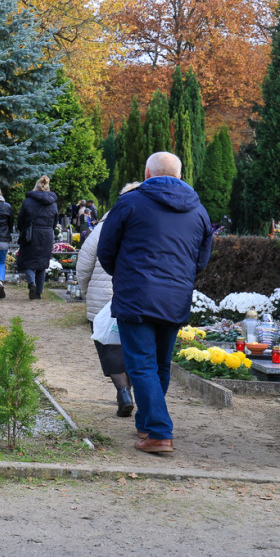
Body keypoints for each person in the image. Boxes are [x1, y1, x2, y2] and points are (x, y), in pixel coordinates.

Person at [98, 152, 213, 454]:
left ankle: (160, 433)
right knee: (160, 364)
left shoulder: (130, 203)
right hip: (175, 298)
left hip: (136, 295)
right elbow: (201, 260)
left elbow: (106, 248)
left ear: (147, 173)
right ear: (179, 175)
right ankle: (147, 422)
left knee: (141, 365)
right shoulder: (198, 210)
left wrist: (123, 275)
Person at [77, 183, 141, 418]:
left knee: (110, 348)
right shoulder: (149, 226)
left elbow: (84, 264)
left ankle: (123, 392)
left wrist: (86, 293)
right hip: (138, 297)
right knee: (135, 347)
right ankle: (128, 391)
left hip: (102, 299)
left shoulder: (104, 226)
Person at [17, 175, 58, 300]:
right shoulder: (53, 203)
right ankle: (38, 293)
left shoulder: (28, 201)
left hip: (31, 233)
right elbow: (55, 221)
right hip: (47, 234)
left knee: (28, 262)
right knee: (42, 264)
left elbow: (20, 220)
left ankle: (31, 282)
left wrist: (23, 230)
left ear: (36, 186)